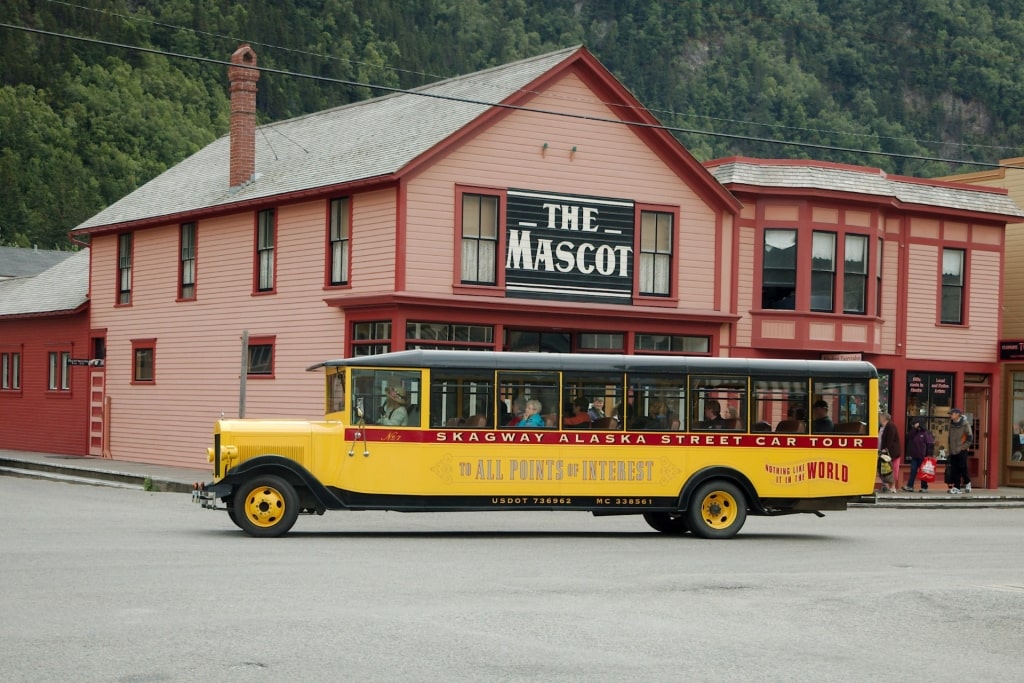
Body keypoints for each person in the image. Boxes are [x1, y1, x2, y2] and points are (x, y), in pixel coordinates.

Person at [902, 418, 934, 492]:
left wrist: (929, 455)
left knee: (923, 472)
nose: (914, 425)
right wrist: (914, 428)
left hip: (923, 456)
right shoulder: (915, 432)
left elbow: (930, 444)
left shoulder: (926, 433)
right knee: (913, 471)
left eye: (916, 423)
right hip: (915, 456)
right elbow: (909, 436)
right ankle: (910, 486)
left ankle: (924, 487)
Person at [946, 407, 973, 494]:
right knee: (954, 469)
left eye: (952, 414)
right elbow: (950, 437)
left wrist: (963, 447)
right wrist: (949, 448)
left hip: (962, 450)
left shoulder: (965, 424)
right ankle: (957, 487)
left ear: (958, 414)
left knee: (962, 468)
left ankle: (967, 482)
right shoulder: (952, 424)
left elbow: (970, 438)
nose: (951, 415)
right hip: (953, 449)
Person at [877, 411, 901, 493]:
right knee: (883, 469)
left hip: (891, 452)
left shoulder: (891, 426)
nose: (879, 418)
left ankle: (893, 487)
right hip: (882, 451)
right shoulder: (881, 427)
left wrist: (885, 449)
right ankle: (886, 486)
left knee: (891, 469)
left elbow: (890, 439)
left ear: (884, 418)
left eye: (880, 417)